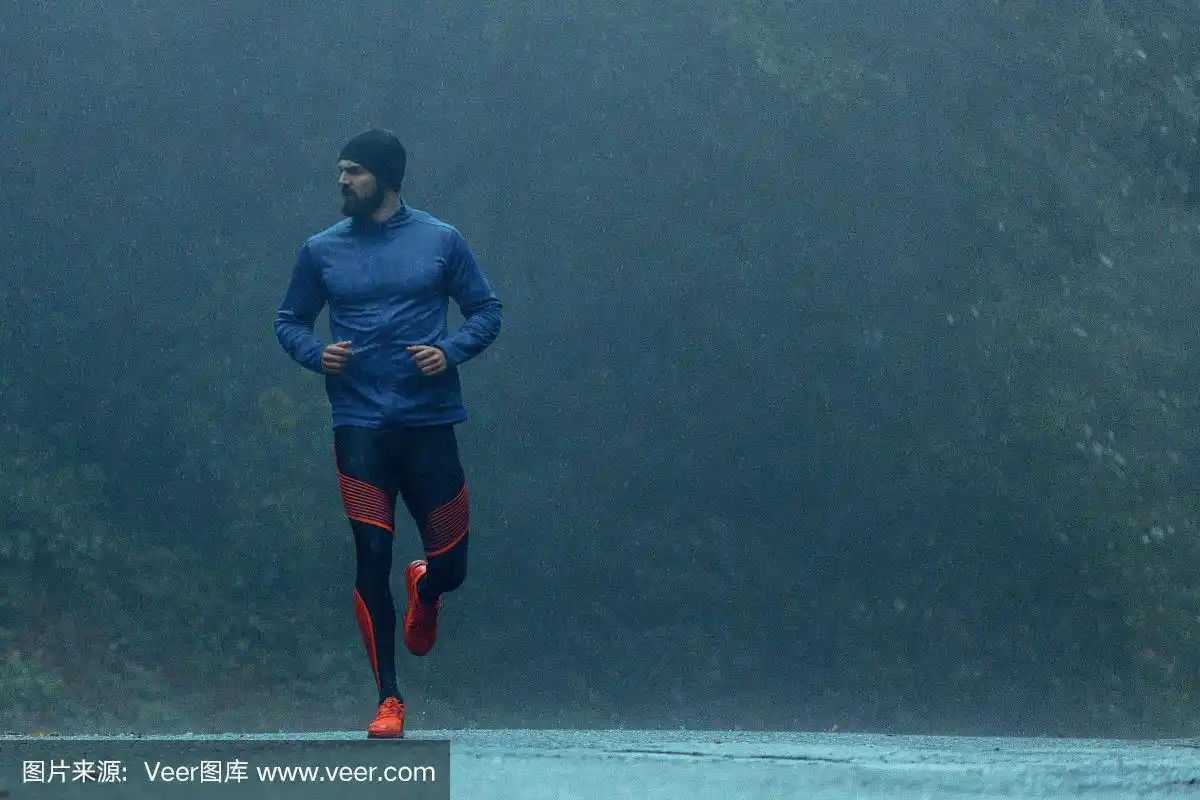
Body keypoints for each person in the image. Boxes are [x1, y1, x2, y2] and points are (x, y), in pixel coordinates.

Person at [274, 129, 502, 738]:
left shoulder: (441, 241)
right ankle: (389, 700)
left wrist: (449, 351)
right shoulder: (321, 250)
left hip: (428, 425)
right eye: (339, 171)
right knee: (371, 554)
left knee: (453, 565)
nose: (341, 182)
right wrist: (314, 354)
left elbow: (487, 311)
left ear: (385, 178)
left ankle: (428, 588)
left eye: (353, 171)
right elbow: (290, 319)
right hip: (359, 427)